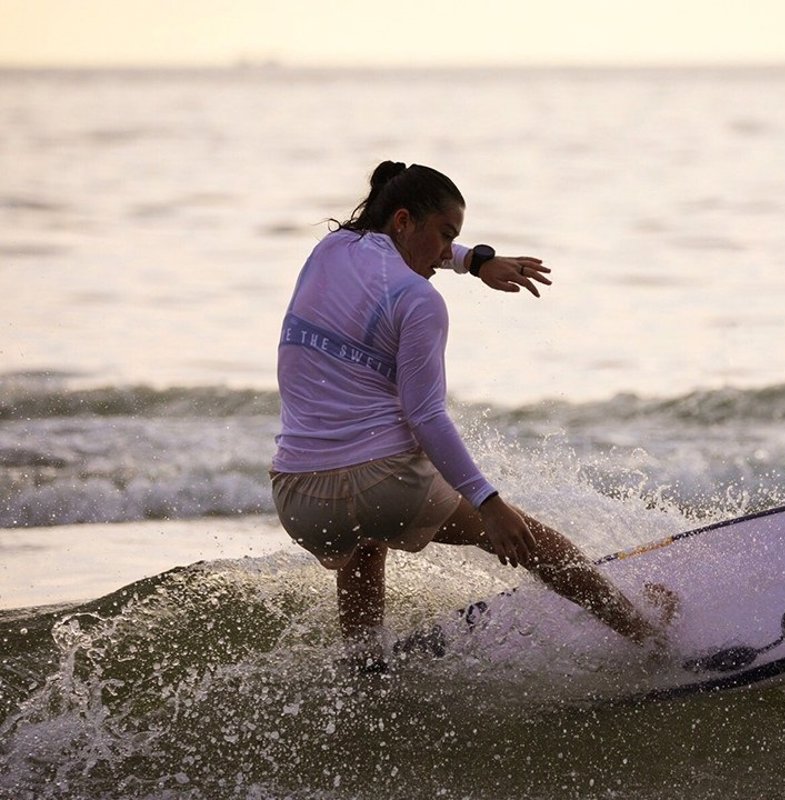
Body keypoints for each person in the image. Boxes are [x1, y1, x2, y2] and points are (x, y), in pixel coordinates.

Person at [270, 161, 667, 670]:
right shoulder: (420, 300)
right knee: (531, 540)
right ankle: (648, 635)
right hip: (385, 486)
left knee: (365, 544)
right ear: (404, 221)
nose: (445, 253)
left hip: (300, 500)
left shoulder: (329, 250)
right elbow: (425, 415)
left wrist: (475, 262)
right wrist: (489, 503)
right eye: (445, 235)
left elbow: (396, 248)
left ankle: (366, 674)